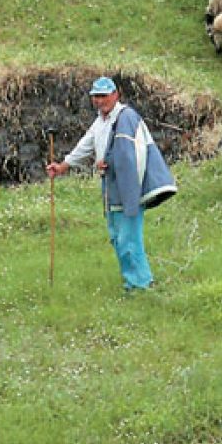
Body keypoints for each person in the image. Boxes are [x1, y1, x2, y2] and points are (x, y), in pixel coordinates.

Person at [47, 76, 177, 292]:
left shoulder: (126, 118)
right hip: (111, 187)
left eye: (104, 96)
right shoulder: (101, 121)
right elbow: (87, 144)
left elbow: (129, 155)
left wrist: (109, 162)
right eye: (96, 97)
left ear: (116, 95)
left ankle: (141, 283)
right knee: (118, 238)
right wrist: (64, 165)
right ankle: (133, 281)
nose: (99, 101)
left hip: (128, 187)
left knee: (129, 238)